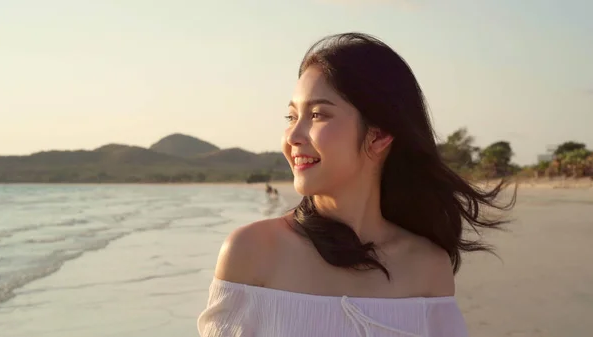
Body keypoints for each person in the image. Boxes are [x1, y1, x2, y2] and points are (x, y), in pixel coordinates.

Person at [197, 32, 515, 337]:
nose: (292, 137)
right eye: (292, 117)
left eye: (318, 114)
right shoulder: (253, 251)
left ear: (378, 135)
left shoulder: (427, 267)